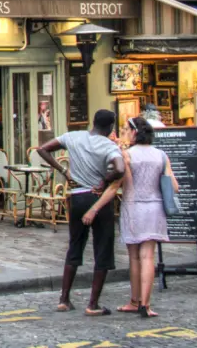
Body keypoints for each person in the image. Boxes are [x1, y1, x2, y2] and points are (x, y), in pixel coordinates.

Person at [82, 118, 177, 318]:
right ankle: (147, 305)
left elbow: (116, 186)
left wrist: (94, 208)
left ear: (134, 133)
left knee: (134, 256)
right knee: (148, 256)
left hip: (133, 207)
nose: (124, 132)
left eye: (126, 129)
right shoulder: (161, 155)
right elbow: (174, 186)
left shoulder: (127, 155)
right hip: (155, 207)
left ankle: (134, 301)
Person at [37, 109, 125, 316]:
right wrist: (105, 180)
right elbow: (120, 169)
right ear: (111, 127)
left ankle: (64, 298)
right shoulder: (108, 145)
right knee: (102, 249)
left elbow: (43, 149)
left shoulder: (73, 137)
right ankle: (92, 303)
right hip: (97, 198)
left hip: (76, 196)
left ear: (93, 122)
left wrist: (64, 171)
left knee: (75, 245)